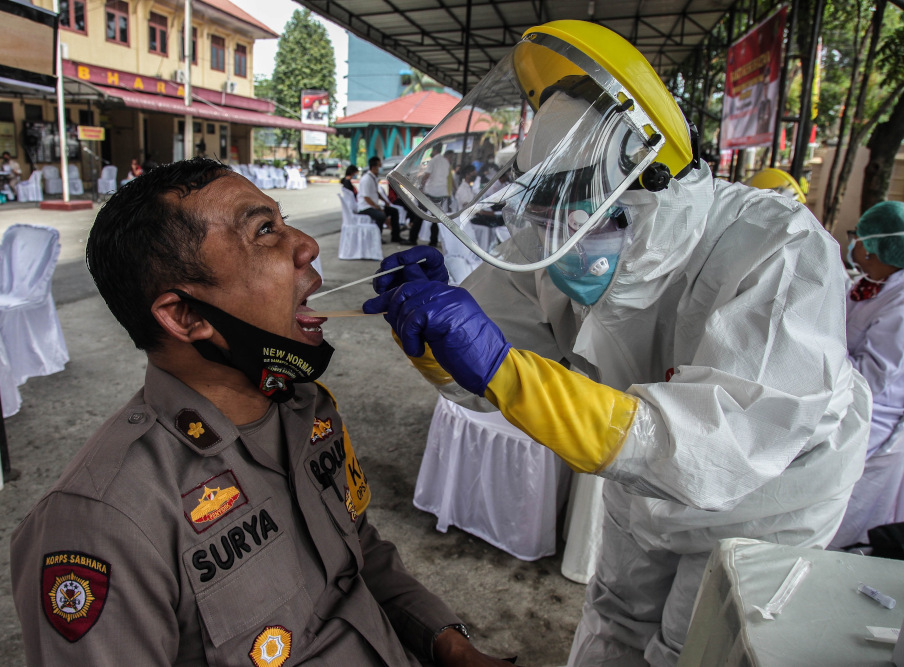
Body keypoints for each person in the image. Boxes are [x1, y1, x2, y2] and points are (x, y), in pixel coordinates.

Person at [364, 20, 870, 666]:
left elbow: (723, 444)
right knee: (616, 611)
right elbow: (486, 364)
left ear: (650, 182)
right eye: (546, 201)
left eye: (581, 202)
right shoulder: (553, 240)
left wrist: (512, 375)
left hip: (769, 497)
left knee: (700, 639)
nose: (559, 227)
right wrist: (434, 337)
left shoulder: (778, 247)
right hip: (637, 473)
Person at [9, 158, 510, 666]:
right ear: (185, 315)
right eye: (263, 231)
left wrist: (451, 645)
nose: (307, 245)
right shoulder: (104, 521)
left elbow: (356, 546)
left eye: (281, 218)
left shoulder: (309, 409)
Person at [830, 201, 904, 549]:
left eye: (858, 237)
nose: (853, 244)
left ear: (878, 246)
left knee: (846, 518)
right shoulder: (867, 283)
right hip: (842, 406)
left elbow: (874, 378)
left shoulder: (901, 305)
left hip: (873, 426)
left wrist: (819, 352)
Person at [357, 155, 401, 243]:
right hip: (365, 207)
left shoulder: (373, 178)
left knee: (394, 211)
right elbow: (366, 197)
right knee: (381, 216)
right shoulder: (366, 179)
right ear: (374, 167)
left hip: (373, 206)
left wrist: (385, 202)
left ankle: (395, 236)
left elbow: (376, 192)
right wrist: (378, 208)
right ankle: (377, 238)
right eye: (379, 166)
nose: (381, 168)